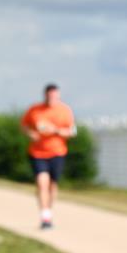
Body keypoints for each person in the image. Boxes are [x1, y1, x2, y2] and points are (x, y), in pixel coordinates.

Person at [21, 84, 76, 229]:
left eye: (54, 96)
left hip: (58, 152)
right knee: (41, 182)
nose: (52, 98)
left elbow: (71, 132)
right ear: (44, 95)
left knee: (52, 185)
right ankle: (45, 216)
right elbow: (24, 125)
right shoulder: (35, 109)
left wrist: (55, 130)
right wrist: (30, 134)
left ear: (58, 96)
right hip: (37, 153)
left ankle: (49, 212)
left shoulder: (65, 110)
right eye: (49, 96)